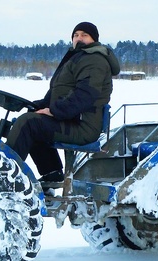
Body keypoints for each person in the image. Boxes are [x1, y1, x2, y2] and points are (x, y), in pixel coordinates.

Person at [6, 21, 120, 182]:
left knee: (29, 124)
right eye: (76, 35)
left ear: (93, 39)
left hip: (83, 126)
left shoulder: (94, 60)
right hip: (71, 119)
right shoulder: (78, 58)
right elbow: (58, 91)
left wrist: (53, 111)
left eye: (84, 35)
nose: (79, 38)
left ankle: (4, 177)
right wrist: (37, 106)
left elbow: (85, 95)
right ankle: (52, 174)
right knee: (32, 117)